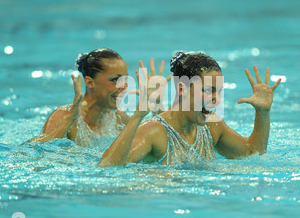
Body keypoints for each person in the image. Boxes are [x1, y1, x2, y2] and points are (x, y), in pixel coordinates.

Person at [98, 51, 281, 167]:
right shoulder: (155, 132)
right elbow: (107, 169)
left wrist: (263, 113)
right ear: (182, 89)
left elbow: (252, 153)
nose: (216, 99)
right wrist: (138, 115)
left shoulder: (212, 126)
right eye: (208, 91)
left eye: (218, 91)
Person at [29, 48, 168, 147]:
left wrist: (156, 103)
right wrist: (69, 121)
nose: (124, 87)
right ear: (90, 82)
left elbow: (157, 138)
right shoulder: (63, 116)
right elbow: (33, 152)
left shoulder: (116, 117)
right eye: (115, 80)